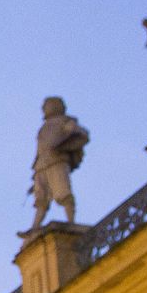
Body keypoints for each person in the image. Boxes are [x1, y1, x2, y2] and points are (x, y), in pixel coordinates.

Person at [24, 97, 89, 232]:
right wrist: (34, 179)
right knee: (40, 197)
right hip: (41, 165)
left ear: (55, 106)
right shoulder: (43, 128)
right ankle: (35, 227)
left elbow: (81, 135)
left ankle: (71, 221)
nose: (43, 109)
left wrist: (65, 146)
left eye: (46, 106)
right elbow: (39, 152)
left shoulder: (65, 121)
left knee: (63, 192)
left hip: (57, 161)